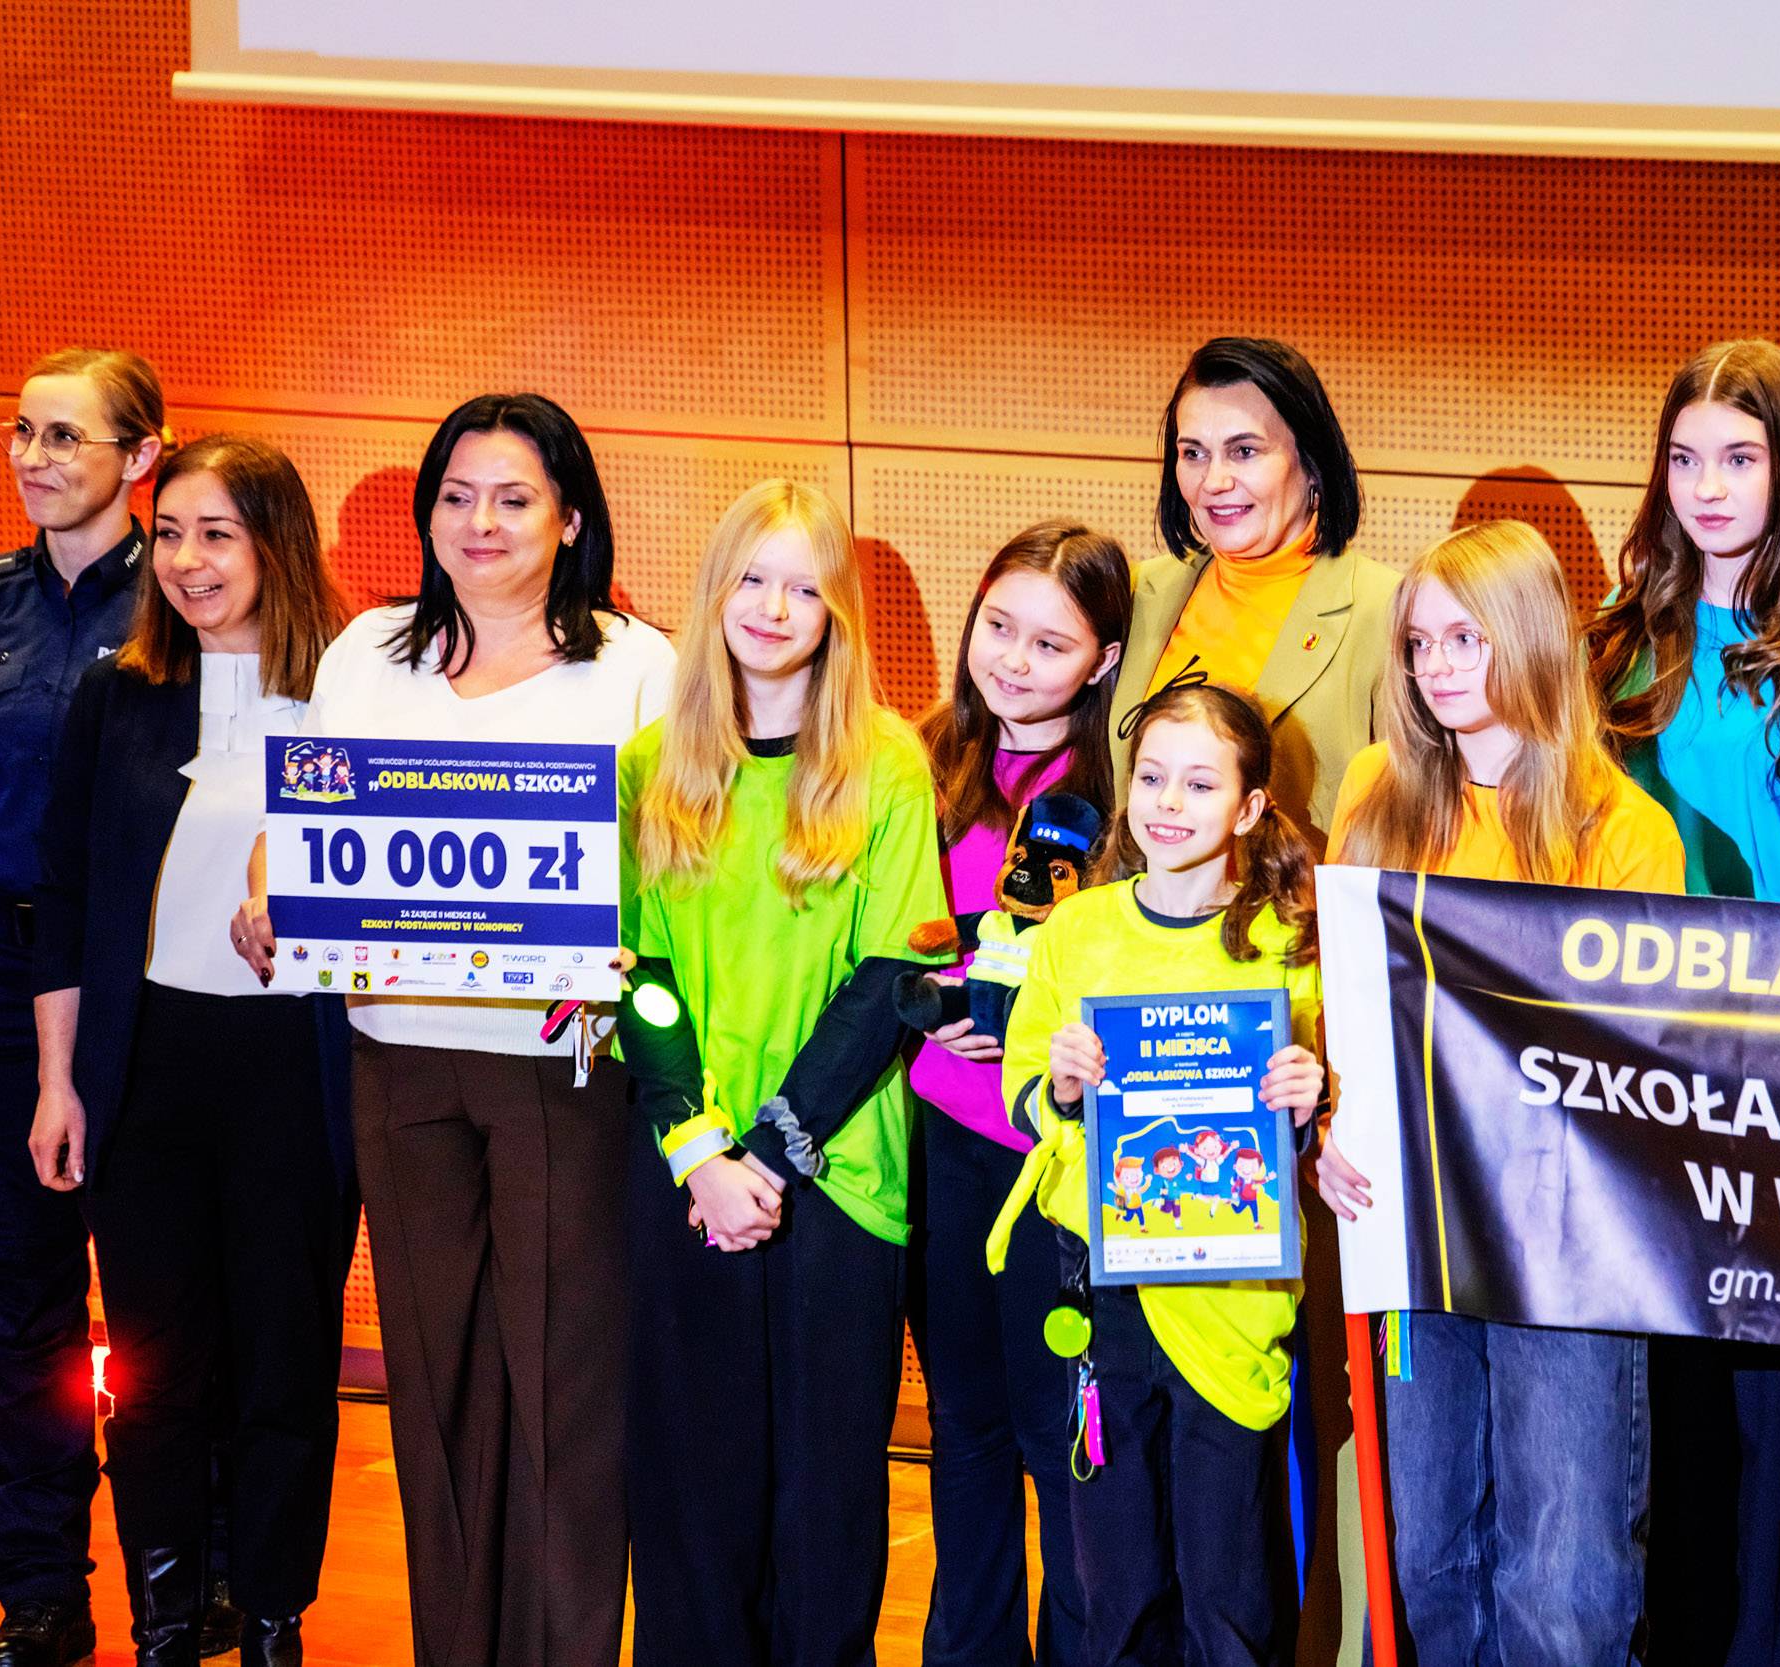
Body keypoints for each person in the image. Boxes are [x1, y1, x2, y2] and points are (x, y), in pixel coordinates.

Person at [228, 392, 673, 1667]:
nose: (481, 521)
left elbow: (679, 861)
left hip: (564, 1068)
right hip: (397, 1058)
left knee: (566, 1391)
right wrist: (268, 897)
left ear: (570, 518)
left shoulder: (639, 666)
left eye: (514, 497)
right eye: (457, 496)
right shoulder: (367, 652)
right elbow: (301, 825)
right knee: (434, 1383)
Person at [1315, 520, 1685, 1664]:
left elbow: (1645, 1066)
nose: (1435, 666)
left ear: (1528, 636)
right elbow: (1341, 999)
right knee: (1426, 1555)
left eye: (1464, 638)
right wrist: (1327, 1119)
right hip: (1408, 1227)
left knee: (1564, 1578)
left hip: (1564, 1249)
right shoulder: (1377, 790)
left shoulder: (1624, 831)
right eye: (1419, 642)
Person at [1580, 337, 1780, 1665]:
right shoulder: (1610, 644)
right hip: (1642, 1078)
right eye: (1685, 457)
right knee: (1665, 1419)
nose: (1707, 487)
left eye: (1740, 458)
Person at [29, 436, 355, 1666]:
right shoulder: (115, 693)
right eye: (169, 532)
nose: (185, 559)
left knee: (284, 1370)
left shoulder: (352, 692)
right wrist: (59, 1082)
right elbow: (66, 898)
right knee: (156, 1370)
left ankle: (272, 1621)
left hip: (294, 1072)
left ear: (278, 542)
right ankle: (167, 1623)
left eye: (218, 532)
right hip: (146, 1070)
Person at [616, 479, 947, 1663]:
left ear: (837, 612)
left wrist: (768, 1152)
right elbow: (641, 976)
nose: (771, 606)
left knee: (825, 1501)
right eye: (752, 578)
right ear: (715, 591)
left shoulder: (887, 766)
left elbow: (891, 979)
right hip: (688, 1173)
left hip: (835, 1176)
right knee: (692, 1496)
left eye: (804, 587)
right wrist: (701, 1151)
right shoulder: (650, 764)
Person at [994, 680, 1327, 1666]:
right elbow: (1021, 1087)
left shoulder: (1286, 944)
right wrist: (1058, 1086)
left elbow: (1321, 1116)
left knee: (1230, 1587)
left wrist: (1310, 1092)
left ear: (1250, 807)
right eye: (1151, 778)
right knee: (1118, 1579)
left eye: (1200, 783)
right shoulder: (1075, 930)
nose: (1168, 802)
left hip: (1232, 1303)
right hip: (1103, 1292)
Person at [909, 520, 1131, 1667]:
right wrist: (918, 999)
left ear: (1101, 661)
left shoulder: (1126, 793)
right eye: (998, 625)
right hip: (939, 1145)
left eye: (1051, 643)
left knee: (1061, 1439)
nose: (1013, 658)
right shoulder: (919, 761)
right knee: (965, 1429)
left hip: (1059, 1164)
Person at [0, 347, 164, 1667]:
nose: (35, 458)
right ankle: (43, 1590)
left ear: (140, 455)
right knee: (30, 1297)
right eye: (21, 432)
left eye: (66, 435)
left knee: (164, 1297)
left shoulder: (192, 601)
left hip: (145, 984)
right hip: (1, 987)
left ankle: (189, 1578)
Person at [1110, 337, 1397, 852]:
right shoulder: (1137, 594)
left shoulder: (1390, 613)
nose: (1214, 481)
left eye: (1244, 451)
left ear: (1312, 462)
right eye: (1193, 454)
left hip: (1300, 904)